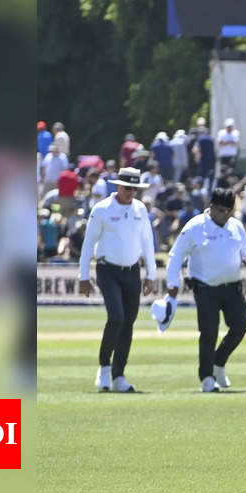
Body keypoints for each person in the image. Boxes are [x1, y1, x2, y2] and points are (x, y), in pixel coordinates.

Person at [166, 188, 246, 392]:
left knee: (240, 327)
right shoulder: (195, 227)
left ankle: (218, 363)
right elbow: (176, 255)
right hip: (205, 286)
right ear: (211, 207)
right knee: (209, 332)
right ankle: (207, 377)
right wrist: (172, 283)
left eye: (229, 211)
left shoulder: (236, 225)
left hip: (232, 286)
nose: (225, 215)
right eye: (221, 210)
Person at [78, 167, 157, 393]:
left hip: (132, 272)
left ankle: (119, 375)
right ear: (118, 186)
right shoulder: (102, 209)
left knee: (128, 323)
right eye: (128, 187)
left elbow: (147, 243)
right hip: (107, 270)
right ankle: (104, 366)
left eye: (135, 188)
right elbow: (88, 244)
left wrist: (151, 274)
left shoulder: (140, 209)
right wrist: (83, 276)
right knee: (116, 318)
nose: (131, 192)